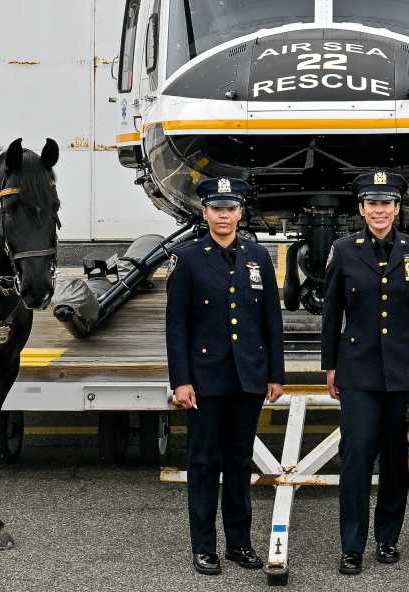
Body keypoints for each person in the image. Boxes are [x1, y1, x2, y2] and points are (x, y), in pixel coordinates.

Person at [321, 171, 409, 576]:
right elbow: (331, 314)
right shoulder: (343, 250)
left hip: (407, 372)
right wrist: (329, 366)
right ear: (361, 209)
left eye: (387, 203)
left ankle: (387, 539)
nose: (379, 210)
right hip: (358, 372)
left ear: (398, 208)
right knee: (357, 456)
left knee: (399, 460)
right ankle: (352, 546)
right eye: (372, 203)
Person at [165, 177, 285, 577]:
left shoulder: (258, 257)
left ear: (239, 213)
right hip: (204, 381)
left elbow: (272, 320)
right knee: (203, 464)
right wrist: (180, 381)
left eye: (230, 208)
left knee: (238, 463)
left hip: (248, 379)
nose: (223, 215)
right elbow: (177, 326)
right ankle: (204, 548)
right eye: (217, 208)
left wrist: (275, 374)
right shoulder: (188, 258)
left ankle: (239, 543)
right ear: (205, 213)